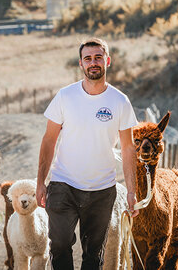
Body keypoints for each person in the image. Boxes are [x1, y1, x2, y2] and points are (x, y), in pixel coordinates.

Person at [36, 38, 139, 269]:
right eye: (88, 58)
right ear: (81, 64)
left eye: (98, 57)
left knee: (94, 255)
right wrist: (41, 182)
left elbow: (128, 148)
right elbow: (49, 140)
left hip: (102, 190)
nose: (93, 62)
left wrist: (132, 191)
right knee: (60, 244)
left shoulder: (120, 101)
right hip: (63, 185)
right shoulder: (65, 96)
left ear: (108, 61)